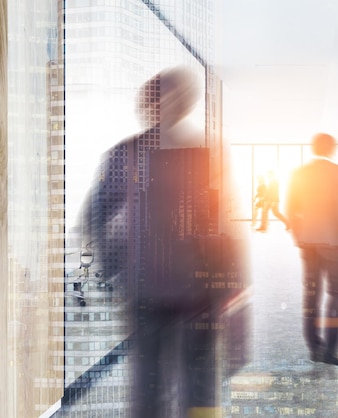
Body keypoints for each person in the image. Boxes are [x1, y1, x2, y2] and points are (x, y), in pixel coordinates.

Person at [80, 66, 246, 417]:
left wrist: (233, 288)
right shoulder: (127, 153)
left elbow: (228, 223)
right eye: (163, 95)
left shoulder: (211, 153)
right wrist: (118, 267)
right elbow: (95, 215)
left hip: (199, 292)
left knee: (200, 387)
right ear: (151, 101)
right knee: (150, 389)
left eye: (179, 95)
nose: (171, 103)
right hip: (148, 292)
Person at [286, 133, 338, 367]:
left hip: (308, 242)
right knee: (337, 294)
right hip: (333, 242)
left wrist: (299, 237)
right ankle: (330, 351)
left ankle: (314, 348)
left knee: (311, 294)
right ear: (331, 148)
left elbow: (291, 208)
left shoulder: (299, 173)